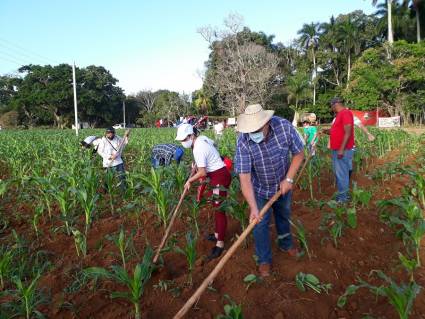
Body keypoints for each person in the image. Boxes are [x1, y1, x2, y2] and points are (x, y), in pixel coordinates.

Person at [234, 104, 305, 277]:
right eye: (251, 130)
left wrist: (288, 179)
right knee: (260, 224)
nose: (254, 133)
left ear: (267, 123)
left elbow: (299, 153)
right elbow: (244, 178)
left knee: (283, 215)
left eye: (257, 129)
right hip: (259, 189)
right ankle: (264, 259)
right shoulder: (243, 141)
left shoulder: (283, 127)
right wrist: (253, 207)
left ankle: (286, 244)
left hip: (283, 185)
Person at [175, 123, 232, 260]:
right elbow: (213, 146)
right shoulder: (203, 139)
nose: (183, 142)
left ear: (191, 135)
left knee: (219, 209)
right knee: (216, 206)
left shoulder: (198, 148)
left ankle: (220, 244)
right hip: (218, 173)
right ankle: (218, 234)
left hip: (219, 176)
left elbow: (202, 172)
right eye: (182, 140)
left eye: (184, 139)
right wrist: (204, 161)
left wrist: (189, 181)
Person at [323, 97, 354, 203]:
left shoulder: (345, 113)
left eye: (331, 106)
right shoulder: (340, 115)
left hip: (342, 150)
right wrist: (326, 131)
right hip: (338, 148)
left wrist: (341, 149)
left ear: (335, 104)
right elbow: (337, 131)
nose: (331, 109)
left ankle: (343, 199)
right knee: (341, 173)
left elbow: (348, 131)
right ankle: (343, 195)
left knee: (341, 174)